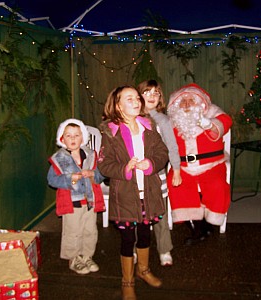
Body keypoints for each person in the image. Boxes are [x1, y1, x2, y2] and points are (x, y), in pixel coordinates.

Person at [98, 86, 169, 300]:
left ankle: (143, 270)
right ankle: (127, 280)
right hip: (126, 195)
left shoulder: (149, 127)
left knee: (145, 233)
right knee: (128, 238)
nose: (137, 101)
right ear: (118, 106)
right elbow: (104, 164)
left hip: (147, 192)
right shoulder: (110, 133)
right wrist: (124, 169)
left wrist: (151, 163)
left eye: (137, 98)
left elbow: (162, 152)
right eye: (129, 99)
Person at [166, 83, 233, 245]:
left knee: (217, 186)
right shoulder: (171, 121)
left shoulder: (212, 112)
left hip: (212, 164)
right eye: (183, 101)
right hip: (182, 168)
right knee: (176, 186)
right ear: (176, 104)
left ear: (200, 102)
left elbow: (226, 121)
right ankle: (197, 227)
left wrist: (209, 124)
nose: (187, 104)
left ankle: (209, 223)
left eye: (191, 100)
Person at [47, 118, 105, 275]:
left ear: (83, 137)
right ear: (62, 138)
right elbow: (52, 180)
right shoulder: (59, 159)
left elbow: (101, 175)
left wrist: (93, 174)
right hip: (72, 204)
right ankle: (73, 258)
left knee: (90, 231)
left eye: (76, 135)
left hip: (90, 201)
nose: (72, 139)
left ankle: (86, 256)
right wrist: (70, 178)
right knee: (73, 232)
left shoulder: (90, 155)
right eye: (68, 135)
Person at [137, 80, 181, 266]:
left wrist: (176, 169)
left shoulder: (162, 120)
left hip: (157, 174)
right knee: (136, 213)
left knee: (160, 212)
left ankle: (164, 249)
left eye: (156, 92)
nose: (153, 96)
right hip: (137, 174)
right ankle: (136, 249)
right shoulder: (131, 118)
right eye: (147, 92)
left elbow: (171, 147)